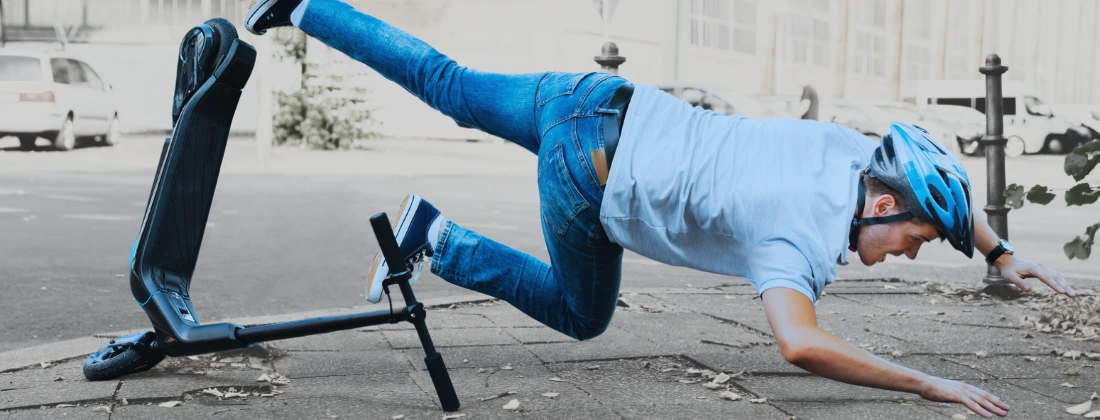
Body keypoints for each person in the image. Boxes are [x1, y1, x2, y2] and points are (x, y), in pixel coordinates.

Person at [244, 1, 1075, 417]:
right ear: (883, 202)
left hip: (596, 98)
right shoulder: (792, 233)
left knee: (448, 85)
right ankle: (440, 239)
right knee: (581, 316)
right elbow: (799, 344)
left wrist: (998, 252)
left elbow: (937, 197)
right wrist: (931, 385)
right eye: (916, 238)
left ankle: (304, 5)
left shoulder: (850, 154)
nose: (912, 251)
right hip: (592, 175)